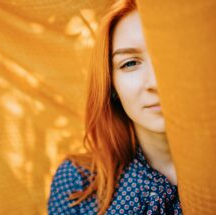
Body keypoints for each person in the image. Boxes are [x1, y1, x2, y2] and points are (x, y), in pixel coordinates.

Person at [47, 0, 182, 214]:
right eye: (130, 63)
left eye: (168, 56)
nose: (155, 83)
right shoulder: (78, 182)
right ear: (112, 86)